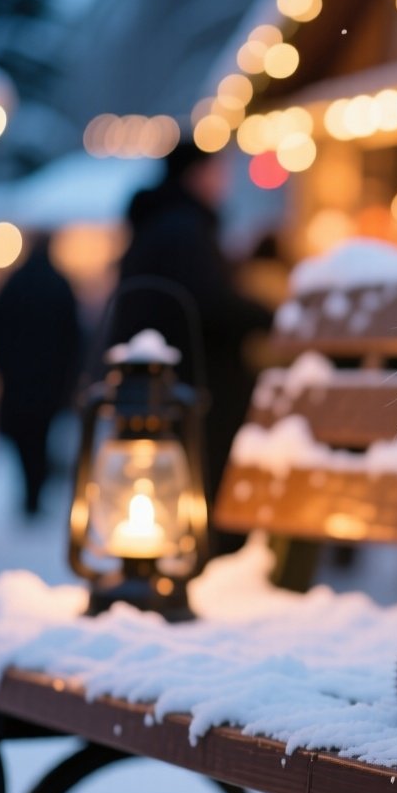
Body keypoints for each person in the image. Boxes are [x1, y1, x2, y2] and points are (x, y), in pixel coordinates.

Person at [112, 143, 270, 556]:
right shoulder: (185, 229)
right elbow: (206, 301)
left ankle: (179, 553)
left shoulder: (159, 223)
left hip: (154, 378)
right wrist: (265, 313)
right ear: (194, 174)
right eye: (215, 172)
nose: (222, 182)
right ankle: (200, 557)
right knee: (196, 473)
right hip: (194, 380)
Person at [0, 238, 83, 518]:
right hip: (50, 379)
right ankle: (34, 491)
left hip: (17, 378)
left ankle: (30, 492)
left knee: (22, 437)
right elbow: (74, 335)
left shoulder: (15, 283)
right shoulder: (60, 284)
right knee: (40, 437)